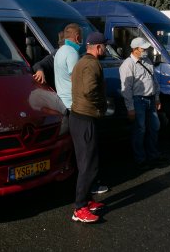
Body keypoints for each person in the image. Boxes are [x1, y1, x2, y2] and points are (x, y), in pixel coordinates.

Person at [69, 31, 109, 223]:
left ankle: (87, 200)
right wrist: (101, 104)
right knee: (87, 166)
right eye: (105, 46)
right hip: (84, 118)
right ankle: (80, 208)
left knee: (88, 162)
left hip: (79, 117)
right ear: (98, 47)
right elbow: (89, 90)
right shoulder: (92, 64)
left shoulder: (81, 62)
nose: (106, 49)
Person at [119, 37, 163, 170]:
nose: (146, 51)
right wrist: (130, 108)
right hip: (138, 100)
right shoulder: (127, 65)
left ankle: (153, 155)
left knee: (154, 127)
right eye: (143, 49)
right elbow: (126, 89)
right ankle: (140, 159)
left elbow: (154, 81)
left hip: (150, 99)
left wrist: (157, 98)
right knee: (140, 130)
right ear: (135, 49)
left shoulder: (147, 60)